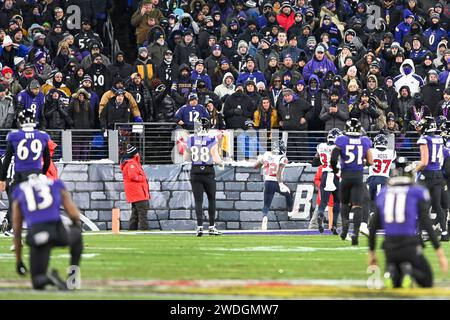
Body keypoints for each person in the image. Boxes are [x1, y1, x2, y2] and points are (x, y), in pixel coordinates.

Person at [368, 158, 448, 288]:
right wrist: (439, 253)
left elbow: (373, 227)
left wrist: (372, 253)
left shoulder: (383, 192)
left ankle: (392, 270)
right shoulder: (417, 191)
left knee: (396, 285)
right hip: (409, 245)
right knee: (427, 280)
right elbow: (426, 223)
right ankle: (409, 271)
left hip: (389, 247)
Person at [12, 173, 83, 290]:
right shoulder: (55, 184)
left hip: (36, 233)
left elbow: (17, 230)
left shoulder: (19, 190)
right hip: (57, 230)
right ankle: (73, 278)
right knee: (77, 234)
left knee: (37, 281)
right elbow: (74, 215)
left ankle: (48, 278)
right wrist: (75, 225)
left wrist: (19, 260)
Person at [0, 109, 51, 234]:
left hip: (20, 174)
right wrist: (41, 173)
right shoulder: (42, 135)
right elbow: (48, 160)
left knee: (15, 200)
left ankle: (13, 228)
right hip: (36, 173)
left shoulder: (14, 136)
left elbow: (6, 160)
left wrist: (2, 178)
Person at [331, 118, 373, 245]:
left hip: (345, 176)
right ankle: (355, 233)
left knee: (344, 204)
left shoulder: (342, 140)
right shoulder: (365, 141)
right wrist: (362, 162)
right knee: (357, 205)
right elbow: (370, 161)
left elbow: (333, 158)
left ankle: (344, 230)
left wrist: (335, 169)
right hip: (358, 177)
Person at [183, 117, 223, 237]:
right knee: (211, 199)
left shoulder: (190, 139)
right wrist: (221, 162)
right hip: (208, 172)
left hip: (195, 171)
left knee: (198, 201)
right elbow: (216, 158)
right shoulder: (211, 138)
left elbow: (185, 158)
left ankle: (199, 227)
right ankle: (211, 227)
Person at [415, 116, 450, 241]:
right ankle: (445, 233)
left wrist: (414, 169)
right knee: (437, 204)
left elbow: (424, 162)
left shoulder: (424, 139)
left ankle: (417, 233)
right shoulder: (439, 138)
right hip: (438, 175)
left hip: (427, 174)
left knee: (419, 204)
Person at [254, 140, 293, 231]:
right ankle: (290, 212)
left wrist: (260, 160)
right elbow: (278, 173)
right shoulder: (283, 158)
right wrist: (280, 184)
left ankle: (264, 217)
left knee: (266, 204)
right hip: (276, 182)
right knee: (289, 193)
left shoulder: (267, 154)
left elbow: (255, 166)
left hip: (267, 182)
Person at [312, 128, 342, 234]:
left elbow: (314, 162)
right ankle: (333, 225)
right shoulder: (339, 147)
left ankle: (320, 215)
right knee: (337, 201)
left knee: (323, 202)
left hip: (324, 174)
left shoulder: (321, 146)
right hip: (335, 175)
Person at [367, 134, 396, 223]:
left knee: (372, 199)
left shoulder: (371, 151)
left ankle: (372, 214)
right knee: (384, 200)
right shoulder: (392, 152)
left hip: (373, 178)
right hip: (384, 178)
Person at [120, 145, 150, 231]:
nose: (138, 154)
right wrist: (143, 178)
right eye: (137, 153)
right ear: (134, 154)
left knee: (136, 212)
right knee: (142, 211)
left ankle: (132, 229)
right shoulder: (131, 164)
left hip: (137, 192)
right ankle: (144, 229)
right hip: (138, 192)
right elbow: (133, 176)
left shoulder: (132, 163)